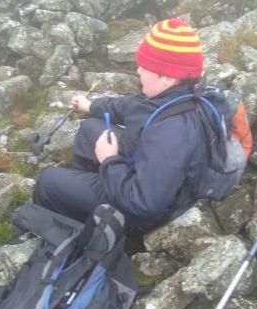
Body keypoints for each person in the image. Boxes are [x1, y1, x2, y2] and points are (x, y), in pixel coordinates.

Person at [33, 18, 208, 235]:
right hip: (140, 168)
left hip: (141, 210)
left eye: (145, 67)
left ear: (168, 78)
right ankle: (84, 206)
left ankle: (66, 235)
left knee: (47, 181)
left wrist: (109, 161)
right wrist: (91, 105)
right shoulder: (171, 97)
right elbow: (129, 107)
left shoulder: (172, 132)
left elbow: (144, 202)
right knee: (90, 129)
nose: (138, 71)